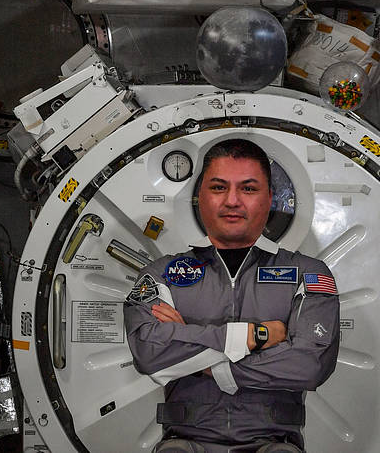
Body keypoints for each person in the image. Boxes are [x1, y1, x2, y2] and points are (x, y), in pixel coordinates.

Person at [124, 138, 341, 453]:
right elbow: (149, 352)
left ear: (270, 198)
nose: (232, 201)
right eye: (218, 188)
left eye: (248, 189)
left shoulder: (307, 273)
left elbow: (310, 364)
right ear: (200, 196)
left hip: (275, 445)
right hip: (183, 444)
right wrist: (254, 336)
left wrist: (200, 357)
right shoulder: (161, 274)